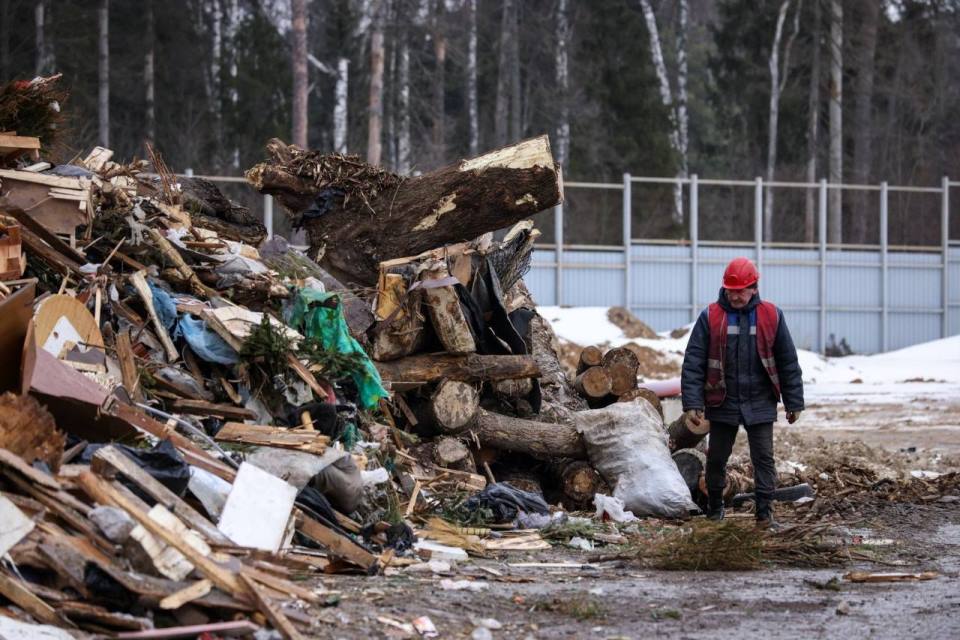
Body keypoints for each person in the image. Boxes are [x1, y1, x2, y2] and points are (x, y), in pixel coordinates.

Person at [680, 257, 804, 528]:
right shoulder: (710, 317)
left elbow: (787, 361)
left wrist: (794, 402)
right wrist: (692, 402)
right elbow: (694, 362)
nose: (735, 296)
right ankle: (714, 510)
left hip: (760, 400)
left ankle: (764, 515)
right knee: (716, 459)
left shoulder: (772, 316)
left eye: (741, 290)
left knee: (764, 459)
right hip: (722, 399)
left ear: (754, 288)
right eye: (731, 290)